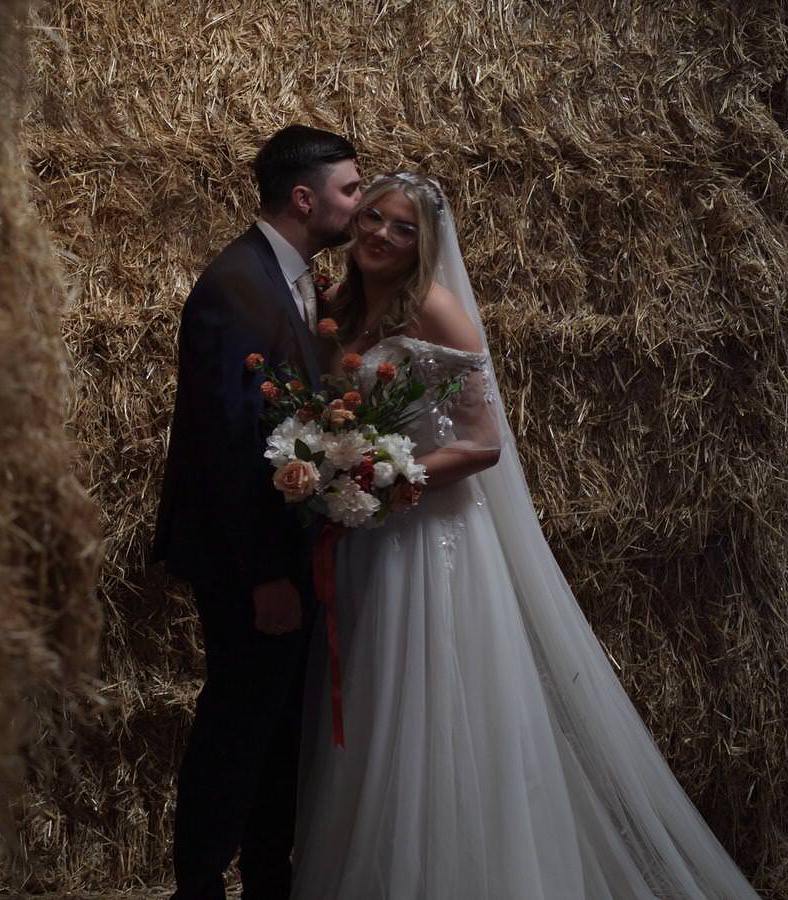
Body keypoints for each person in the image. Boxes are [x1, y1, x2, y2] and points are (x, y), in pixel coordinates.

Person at [288, 172, 761, 899]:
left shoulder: (438, 312)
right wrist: (331, 467)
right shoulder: (337, 305)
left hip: (430, 541)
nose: (381, 235)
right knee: (372, 705)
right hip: (365, 539)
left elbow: (482, 443)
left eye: (403, 228)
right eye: (374, 218)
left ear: (426, 244)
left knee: (431, 707)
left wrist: (386, 473)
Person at [152, 124, 362, 900]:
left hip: (282, 551)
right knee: (239, 727)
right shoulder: (236, 287)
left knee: (278, 730)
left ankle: (270, 881)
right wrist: (268, 576)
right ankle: (199, 886)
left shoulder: (292, 280)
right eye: (349, 188)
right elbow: (230, 446)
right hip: (251, 560)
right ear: (305, 199)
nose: (359, 201)